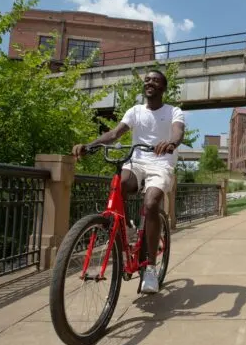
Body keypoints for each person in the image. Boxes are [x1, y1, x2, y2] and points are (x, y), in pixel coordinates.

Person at [72, 69, 184, 294]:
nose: (149, 82)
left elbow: (178, 131)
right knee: (120, 185)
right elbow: (115, 134)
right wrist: (89, 146)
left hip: (160, 163)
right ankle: (127, 231)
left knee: (151, 204)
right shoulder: (135, 111)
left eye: (155, 80)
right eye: (147, 80)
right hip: (136, 161)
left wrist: (171, 143)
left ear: (163, 87)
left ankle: (150, 268)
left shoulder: (174, 111)